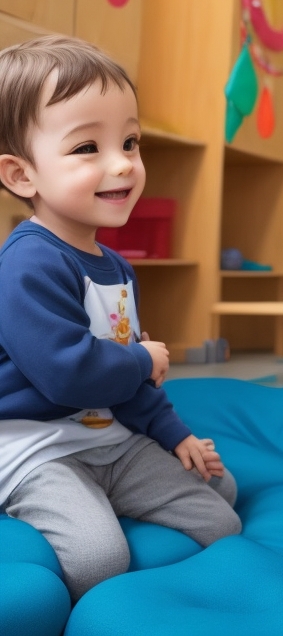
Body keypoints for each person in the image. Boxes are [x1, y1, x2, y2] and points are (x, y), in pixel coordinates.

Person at [0, 35, 241, 602]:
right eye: (88, 147)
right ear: (21, 175)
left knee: (222, 504)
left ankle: (117, 505)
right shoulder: (26, 265)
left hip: (108, 436)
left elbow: (129, 379)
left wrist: (173, 433)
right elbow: (71, 374)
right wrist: (141, 358)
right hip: (37, 447)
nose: (123, 164)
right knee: (99, 557)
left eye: (130, 142)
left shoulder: (114, 267)